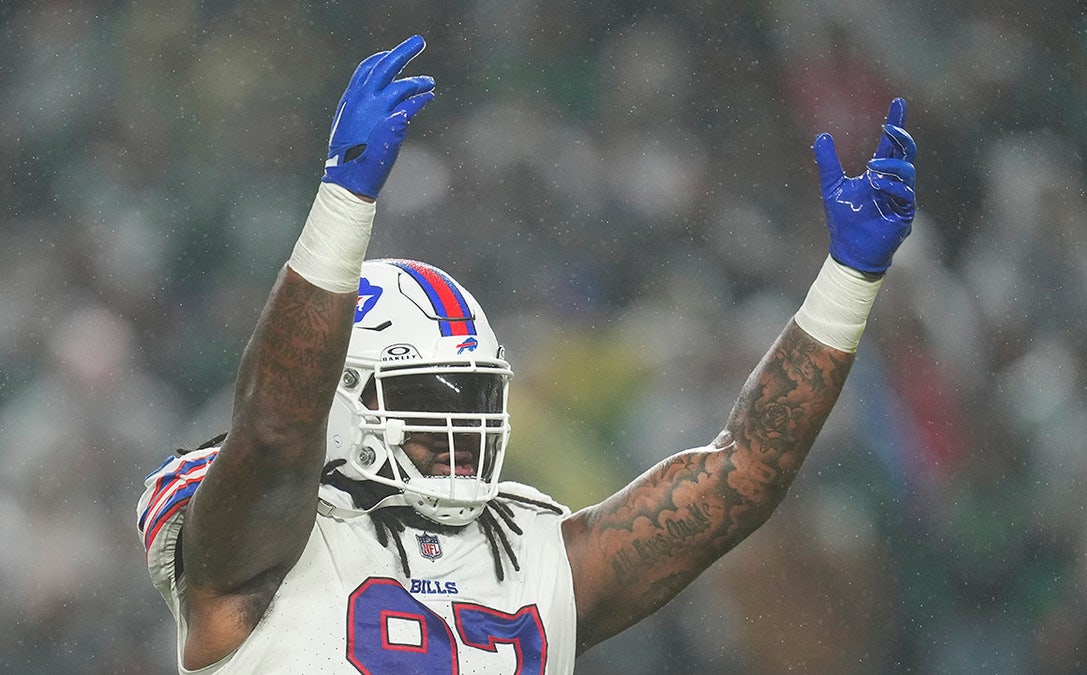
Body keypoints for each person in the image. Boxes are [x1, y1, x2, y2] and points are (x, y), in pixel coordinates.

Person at [137, 34, 916, 674]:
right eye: (430, 401)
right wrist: (343, 202)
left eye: (473, 399)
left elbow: (741, 471)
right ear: (338, 405)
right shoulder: (260, 556)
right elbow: (273, 435)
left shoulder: (533, 552)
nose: (460, 429)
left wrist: (848, 281)